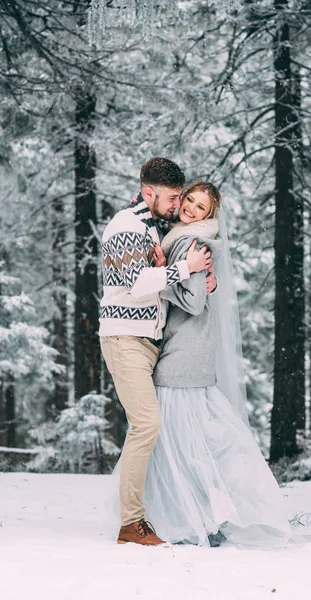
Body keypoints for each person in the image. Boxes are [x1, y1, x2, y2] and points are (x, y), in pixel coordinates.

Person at [140, 180, 291, 547]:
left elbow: (191, 303)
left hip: (184, 354)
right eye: (189, 200)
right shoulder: (184, 235)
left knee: (181, 443)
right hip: (190, 350)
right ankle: (205, 516)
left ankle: (196, 519)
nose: (190, 208)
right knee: (192, 442)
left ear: (210, 214)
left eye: (200, 206)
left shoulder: (192, 242)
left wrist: (160, 279)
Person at [99, 158, 216, 546]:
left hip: (148, 342)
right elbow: (136, 283)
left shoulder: (153, 227)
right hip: (124, 339)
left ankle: (164, 512)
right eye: (171, 197)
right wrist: (186, 267)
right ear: (148, 192)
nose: (176, 204)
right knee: (147, 425)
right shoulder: (126, 226)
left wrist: (204, 278)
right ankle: (131, 524)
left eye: (180, 197)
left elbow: (177, 269)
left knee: (153, 429)